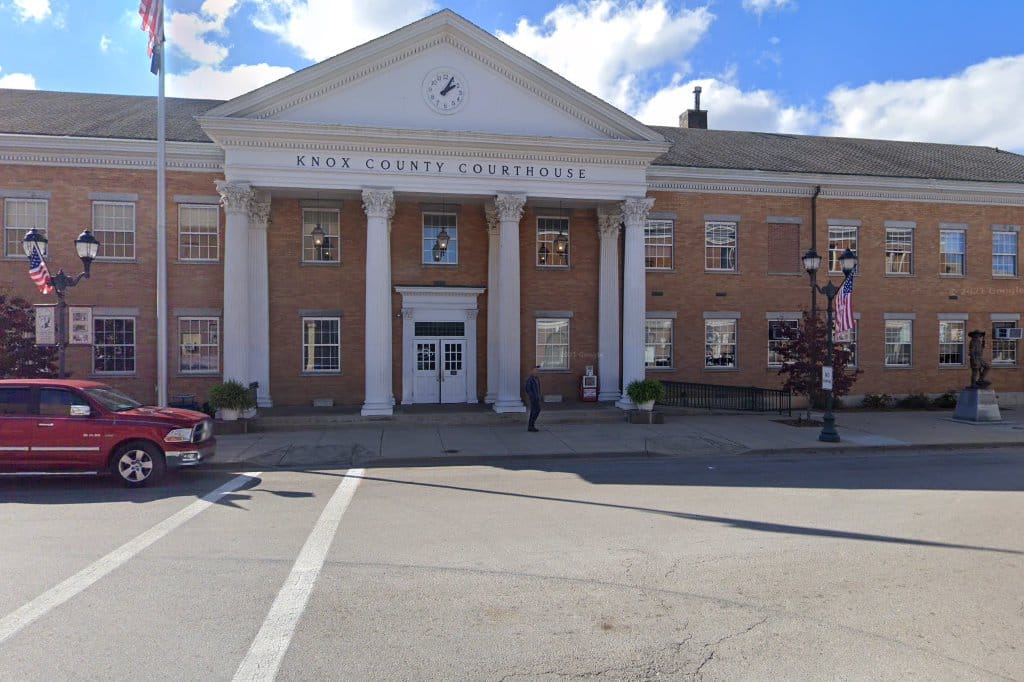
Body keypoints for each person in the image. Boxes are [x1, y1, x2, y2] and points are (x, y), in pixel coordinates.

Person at [525, 365, 541, 432]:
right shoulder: (530, 379)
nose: (537, 371)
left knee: (536, 410)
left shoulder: (537, 379)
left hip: (537, 398)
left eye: (537, 370)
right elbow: (528, 389)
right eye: (535, 370)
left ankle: (531, 426)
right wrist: (532, 396)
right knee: (534, 411)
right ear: (532, 371)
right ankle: (531, 426)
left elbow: (538, 389)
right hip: (533, 399)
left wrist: (538, 396)